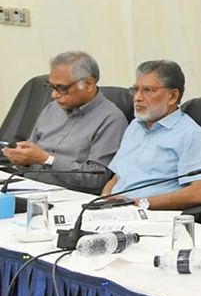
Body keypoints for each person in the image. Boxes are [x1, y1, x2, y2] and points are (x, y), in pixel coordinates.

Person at [2, 51, 127, 193]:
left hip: (69, 196)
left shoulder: (111, 119)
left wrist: (47, 160)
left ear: (89, 84)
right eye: (51, 87)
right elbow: (32, 153)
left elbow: (96, 179)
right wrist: (20, 157)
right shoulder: (52, 108)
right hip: (28, 187)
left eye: (62, 88)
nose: (54, 94)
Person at [100, 60, 201, 209]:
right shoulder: (135, 126)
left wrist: (140, 204)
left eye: (148, 90)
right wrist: (104, 199)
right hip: (115, 211)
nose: (137, 98)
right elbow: (117, 177)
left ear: (172, 96)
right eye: (135, 90)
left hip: (151, 214)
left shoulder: (190, 134)